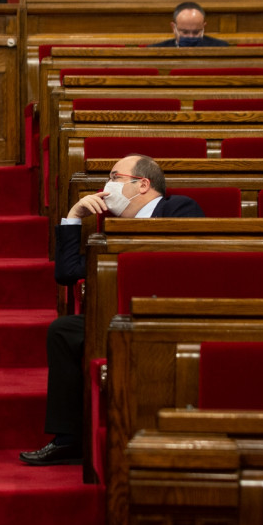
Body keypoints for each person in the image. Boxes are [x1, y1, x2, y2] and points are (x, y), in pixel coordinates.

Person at [20, 154, 205, 466]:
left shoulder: (178, 207)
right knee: (64, 330)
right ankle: (69, 439)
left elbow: (189, 256)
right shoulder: (109, 229)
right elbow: (67, 274)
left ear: (142, 184)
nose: (106, 187)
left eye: (114, 178)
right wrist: (74, 216)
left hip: (171, 311)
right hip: (119, 314)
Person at [151, 1, 230, 48]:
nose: (190, 37)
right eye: (185, 32)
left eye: (196, 32)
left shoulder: (221, 48)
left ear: (203, 27)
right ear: (173, 28)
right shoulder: (156, 50)